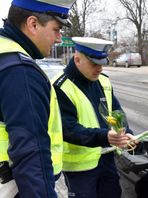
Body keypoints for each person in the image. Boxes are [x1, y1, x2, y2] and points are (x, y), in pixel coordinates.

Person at [0, 0, 75, 197]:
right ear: (33, 24)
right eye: (56, 29)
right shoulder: (20, 71)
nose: (59, 39)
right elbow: (31, 153)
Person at [52, 37, 136, 198]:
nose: (99, 69)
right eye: (94, 64)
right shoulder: (60, 86)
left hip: (107, 159)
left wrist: (125, 133)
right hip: (80, 168)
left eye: (102, 63)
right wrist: (104, 136)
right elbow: (68, 129)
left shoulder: (103, 81)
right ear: (77, 59)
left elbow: (116, 111)